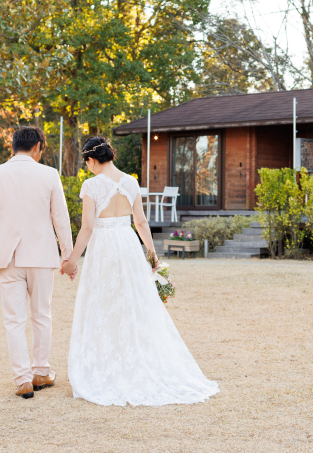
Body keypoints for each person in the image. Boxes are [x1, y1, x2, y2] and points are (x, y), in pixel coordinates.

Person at [61, 136, 219, 406]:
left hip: (104, 249)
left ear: (92, 159)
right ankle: (129, 358)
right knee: (132, 304)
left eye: (87, 162)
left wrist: (72, 260)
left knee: (102, 304)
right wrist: (152, 255)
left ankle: (108, 364)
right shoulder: (131, 181)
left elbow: (87, 228)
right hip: (127, 244)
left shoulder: (91, 185)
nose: (88, 167)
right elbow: (141, 222)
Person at [0, 126, 74, 399]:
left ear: (14, 146)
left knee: (14, 320)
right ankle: (41, 371)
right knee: (41, 315)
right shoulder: (49, 174)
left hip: (7, 259)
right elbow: (61, 218)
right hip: (42, 255)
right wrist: (67, 254)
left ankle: (23, 379)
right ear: (37, 147)